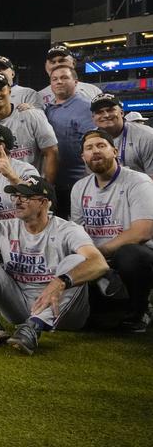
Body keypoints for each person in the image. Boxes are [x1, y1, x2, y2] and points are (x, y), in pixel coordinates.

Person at [0, 176, 110, 355]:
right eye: (16, 196)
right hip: (19, 307)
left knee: (77, 261)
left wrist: (61, 282)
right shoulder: (3, 227)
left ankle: (35, 326)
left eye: (26, 197)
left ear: (44, 203)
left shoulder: (68, 229)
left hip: (63, 311)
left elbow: (99, 263)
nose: (18, 201)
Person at [70, 130, 153, 332]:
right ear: (83, 157)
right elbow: (76, 231)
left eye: (101, 146)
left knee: (131, 254)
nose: (95, 151)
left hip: (135, 255)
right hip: (98, 259)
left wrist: (101, 252)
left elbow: (142, 232)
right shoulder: (79, 187)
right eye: (89, 148)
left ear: (114, 151)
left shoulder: (138, 181)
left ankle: (141, 309)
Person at [0, 73, 58, 181]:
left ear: (9, 91)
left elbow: (51, 151)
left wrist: (47, 186)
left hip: (31, 187)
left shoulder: (32, 115)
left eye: (1, 89)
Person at [45, 64, 96, 216]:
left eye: (64, 77)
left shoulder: (86, 107)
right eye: (54, 79)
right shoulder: (48, 108)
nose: (59, 82)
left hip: (78, 183)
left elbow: (93, 146)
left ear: (76, 82)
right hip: (55, 183)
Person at [89, 93, 153, 177]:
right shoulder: (88, 140)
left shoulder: (146, 136)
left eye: (110, 110)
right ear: (93, 117)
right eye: (99, 112)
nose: (106, 115)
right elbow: (92, 177)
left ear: (122, 113)